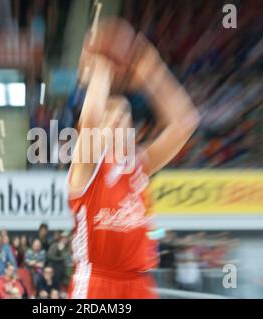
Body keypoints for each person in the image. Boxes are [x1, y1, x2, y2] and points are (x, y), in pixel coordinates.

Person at [67, 19, 199, 299]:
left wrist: (151, 69)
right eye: (111, 117)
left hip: (139, 284)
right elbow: (89, 121)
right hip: (97, 284)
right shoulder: (86, 169)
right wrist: (101, 64)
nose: (119, 121)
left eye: (125, 117)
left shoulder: (139, 166)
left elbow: (185, 121)